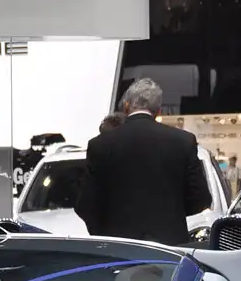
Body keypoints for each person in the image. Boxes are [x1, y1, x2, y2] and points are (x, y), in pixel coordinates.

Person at [76, 77, 211, 245]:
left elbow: (85, 203)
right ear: (158, 111)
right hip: (169, 245)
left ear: (127, 105)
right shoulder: (183, 141)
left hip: (117, 247)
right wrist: (173, 212)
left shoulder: (100, 145)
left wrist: (102, 233)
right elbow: (201, 199)